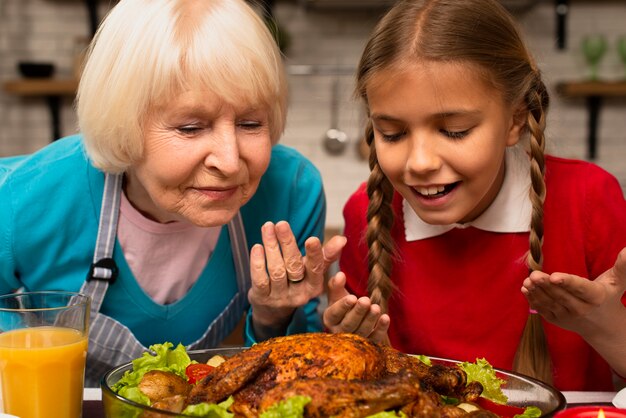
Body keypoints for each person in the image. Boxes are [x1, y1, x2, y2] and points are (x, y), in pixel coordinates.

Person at [0, 0, 344, 387]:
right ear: (122, 124)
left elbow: (300, 376)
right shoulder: (19, 199)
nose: (230, 162)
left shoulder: (291, 193)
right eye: (190, 128)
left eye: (250, 123)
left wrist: (271, 318)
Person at [323, 0, 626, 391]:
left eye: (454, 131)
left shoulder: (587, 198)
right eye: (393, 134)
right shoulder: (367, 211)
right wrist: (361, 353)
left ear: (516, 119)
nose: (419, 162)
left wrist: (603, 326)